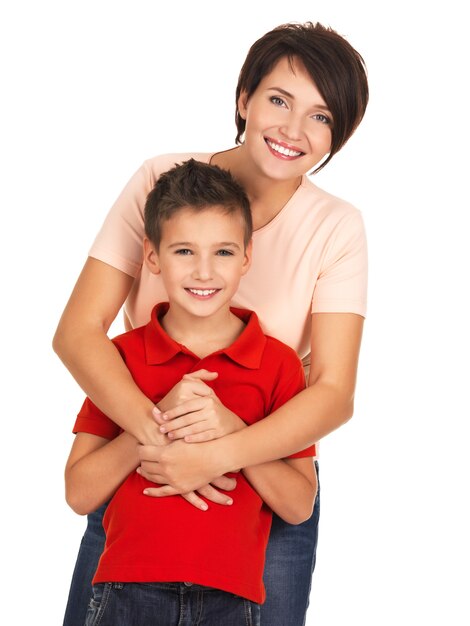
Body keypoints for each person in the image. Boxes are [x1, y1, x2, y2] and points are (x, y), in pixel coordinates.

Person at [54, 21, 368, 626]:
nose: (293, 130)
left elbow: (333, 390)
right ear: (244, 98)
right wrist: (160, 437)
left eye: (321, 117)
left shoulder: (337, 226)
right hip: (143, 466)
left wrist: (221, 452)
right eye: (279, 100)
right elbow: (78, 331)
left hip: (264, 480)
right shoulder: (160, 181)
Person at [65, 160, 318, 625]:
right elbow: (80, 492)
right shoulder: (119, 360)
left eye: (223, 252)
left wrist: (232, 438)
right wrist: (155, 422)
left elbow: (298, 505)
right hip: (126, 592)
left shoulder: (280, 364)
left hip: (232, 600)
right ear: (153, 256)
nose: (204, 272)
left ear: (246, 257)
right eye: (184, 251)